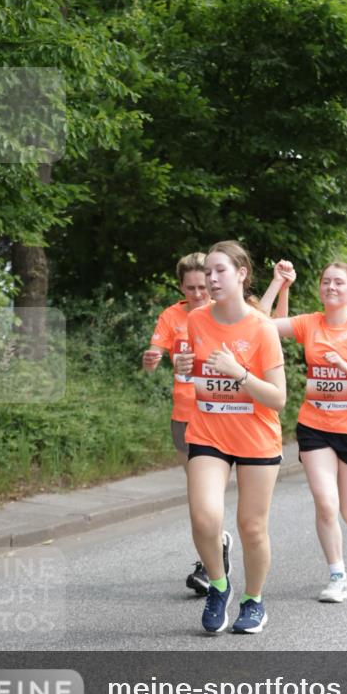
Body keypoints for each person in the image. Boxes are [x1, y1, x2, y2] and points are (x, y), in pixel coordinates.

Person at [175, 241, 286, 634]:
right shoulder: (196, 320)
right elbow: (197, 372)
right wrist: (183, 365)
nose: (212, 279)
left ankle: (253, 600)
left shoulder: (262, 328)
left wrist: (238, 372)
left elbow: (278, 398)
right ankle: (219, 586)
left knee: (251, 527)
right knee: (204, 516)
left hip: (256, 437)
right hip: (209, 432)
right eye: (208, 272)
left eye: (220, 271)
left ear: (242, 274)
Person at [271, 261, 347, 603]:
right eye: (326, 281)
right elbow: (270, 327)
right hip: (315, 426)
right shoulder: (310, 323)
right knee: (326, 504)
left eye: (339, 282)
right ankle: (337, 575)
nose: (331, 287)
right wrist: (283, 286)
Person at [142, 253, 233, 596]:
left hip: (219, 414)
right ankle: (219, 544)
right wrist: (151, 360)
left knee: (207, 498)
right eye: (190, 288)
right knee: (200, 497)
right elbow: (153, 356)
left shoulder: (225, 313)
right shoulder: (172, 316)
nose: (197, 294)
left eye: (202, 287)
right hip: (184, 416)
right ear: (181, 286)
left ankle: (209, 566)